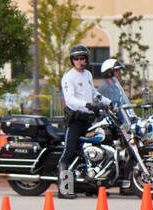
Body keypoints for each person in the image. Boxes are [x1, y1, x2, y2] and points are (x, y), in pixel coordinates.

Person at [57, 44, 101, 198]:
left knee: (88, 152)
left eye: (82, 58)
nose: (80, 61)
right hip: (75, 120)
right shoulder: (69, 77)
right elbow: (69, 99)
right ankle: (64, 189)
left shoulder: (87, 74)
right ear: (72, 60)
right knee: (68, 153)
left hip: (89, 119)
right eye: (76, 58)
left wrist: (108, 102)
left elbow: (94, 92)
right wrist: (86, 104)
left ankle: (90, 186)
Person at [96, 59, 136, 195]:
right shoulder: (105, 87)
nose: (119, 73)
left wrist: (131, 115)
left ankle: (126, 181)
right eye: (117, 70)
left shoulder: (115, 85)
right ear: (109, 72)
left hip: (117, 123)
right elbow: (112, 106)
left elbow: (121, 103)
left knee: (129, 148)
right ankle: (123, 183)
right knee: (123, 149)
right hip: (107, 125)